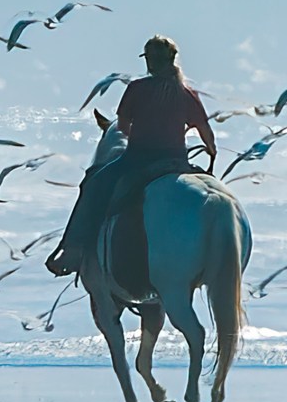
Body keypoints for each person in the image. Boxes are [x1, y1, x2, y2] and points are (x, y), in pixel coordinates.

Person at [46, 36, 216, 277]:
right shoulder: (187, 93)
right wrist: (212, 151)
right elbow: (206, 133)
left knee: (92, 184)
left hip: (138, 159)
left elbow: (123, 127)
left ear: (149, 61)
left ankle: (72, 251)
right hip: (177, 162)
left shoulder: (137, 88)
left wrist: (143, 131)